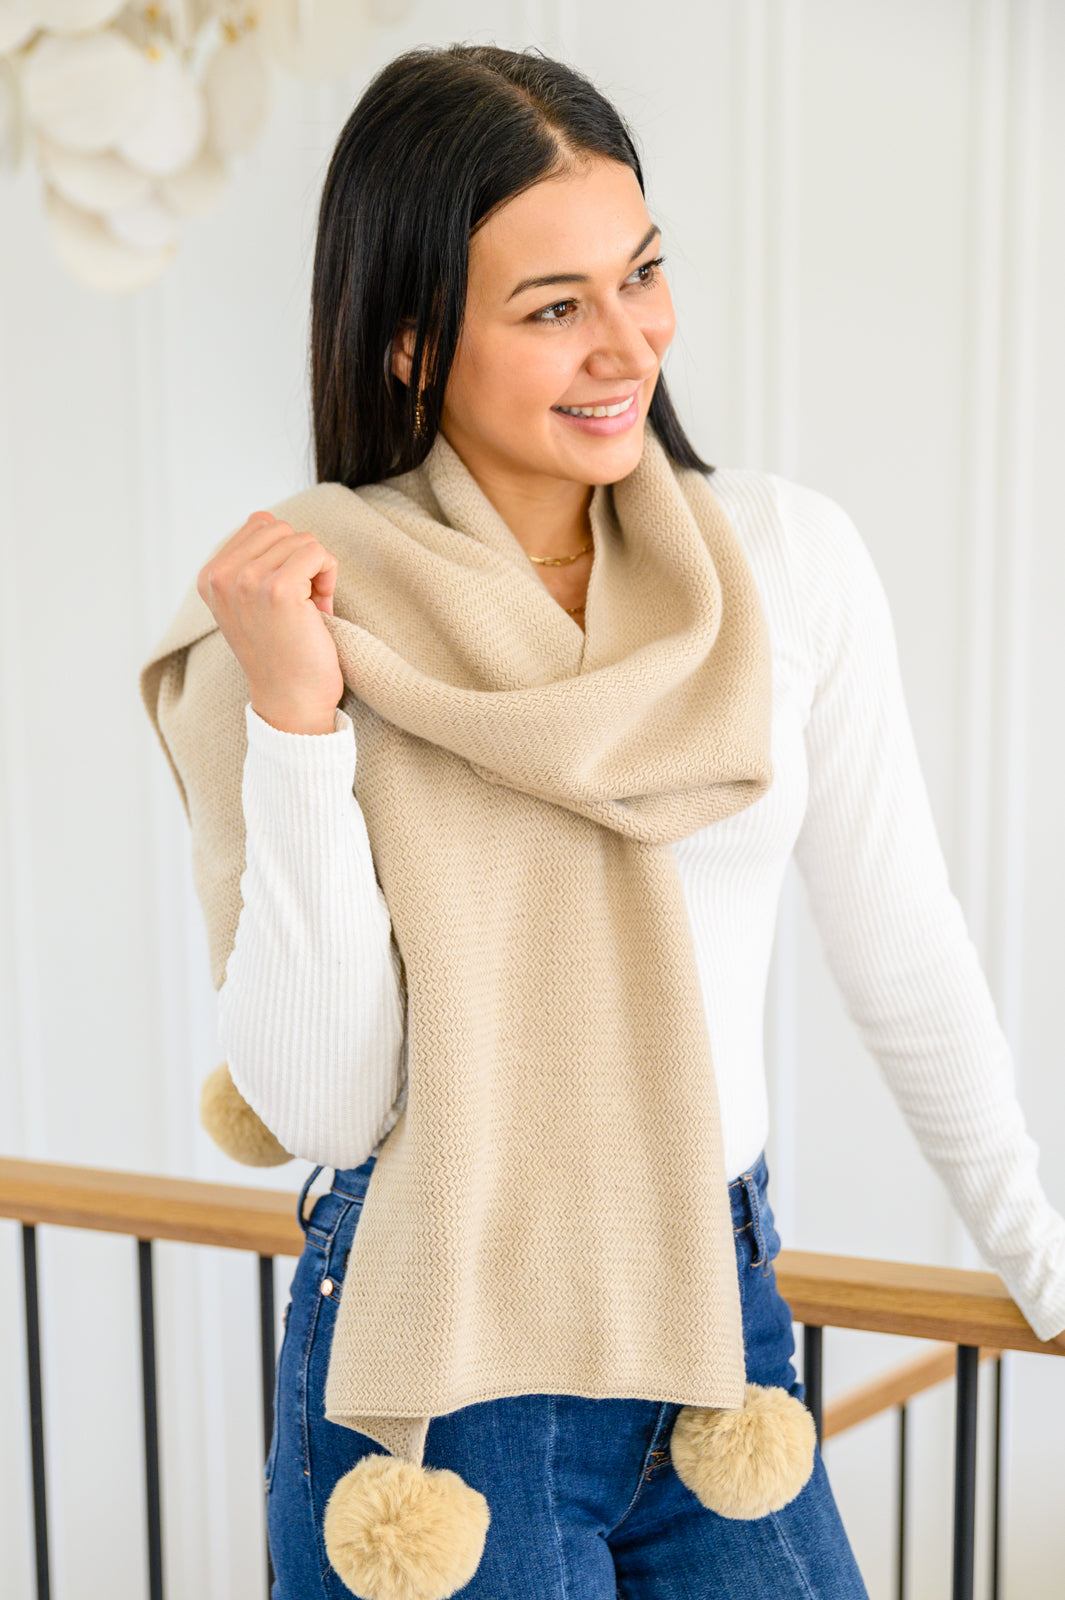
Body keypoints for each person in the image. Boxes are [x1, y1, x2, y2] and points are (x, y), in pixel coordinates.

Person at [150, 42, 1065, 1600]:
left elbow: (901, 941)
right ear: (409, 344)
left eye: (638, 275)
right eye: (553, 305)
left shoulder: (783, 561)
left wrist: (1040, 1266)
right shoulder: (303, 609)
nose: (626, 343)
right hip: (438, 1377)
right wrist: (297, 724)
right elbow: (319, 1103)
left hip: (716, 1324)